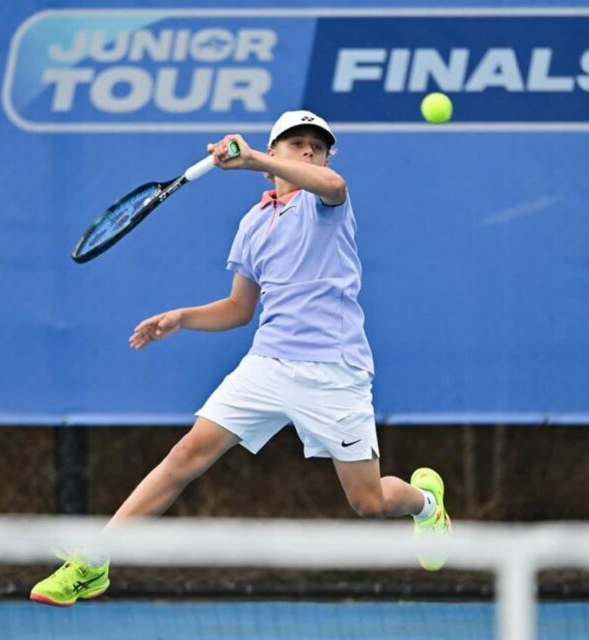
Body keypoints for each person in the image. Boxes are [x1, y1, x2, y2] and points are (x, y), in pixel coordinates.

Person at [30, 110, 451, 607]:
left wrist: (250, 158)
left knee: (369, 502)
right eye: (298, 144)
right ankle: (94, 561)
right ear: (277, 153)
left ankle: (426, 505)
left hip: (334, 371)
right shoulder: (253, 224)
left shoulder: (326, 203)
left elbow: (333, 183)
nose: (311, 150)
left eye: (318, 145)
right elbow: (239, 309)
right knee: (185, 456)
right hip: (267, 365)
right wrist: (183, 317)